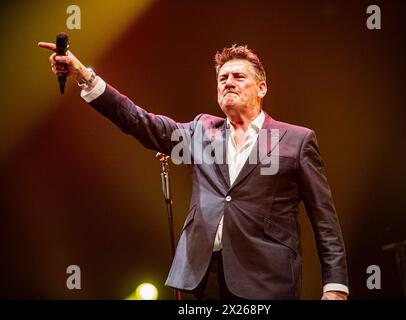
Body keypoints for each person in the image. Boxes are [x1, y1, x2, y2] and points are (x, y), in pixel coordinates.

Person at [38, 42, 349, 300]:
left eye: (238, 76)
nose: (228, 81)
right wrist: (86, 77)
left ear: (262, 88)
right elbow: (140, 121)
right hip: (203, 279)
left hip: (267, 279)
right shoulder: (202, 130)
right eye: (222, 77)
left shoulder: (295, 139)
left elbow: (325, 219)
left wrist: (335, 287)